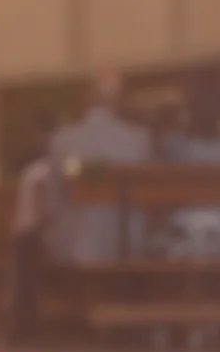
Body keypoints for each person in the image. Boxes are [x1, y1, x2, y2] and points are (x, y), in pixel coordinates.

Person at [47, 69, 152, 263]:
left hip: (74, 246)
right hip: (125, 246)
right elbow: (145, 201)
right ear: (119, 99)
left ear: (85, 98)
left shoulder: (61, 141)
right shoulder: (139, 140)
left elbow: (52, 201)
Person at [10, 112, 55, 342]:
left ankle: (26, 325)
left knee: (28, 270)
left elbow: (42, 204)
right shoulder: (36, 165)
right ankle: (23, 322)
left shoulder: (44, 168)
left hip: (36, 232)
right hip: (31, 229)